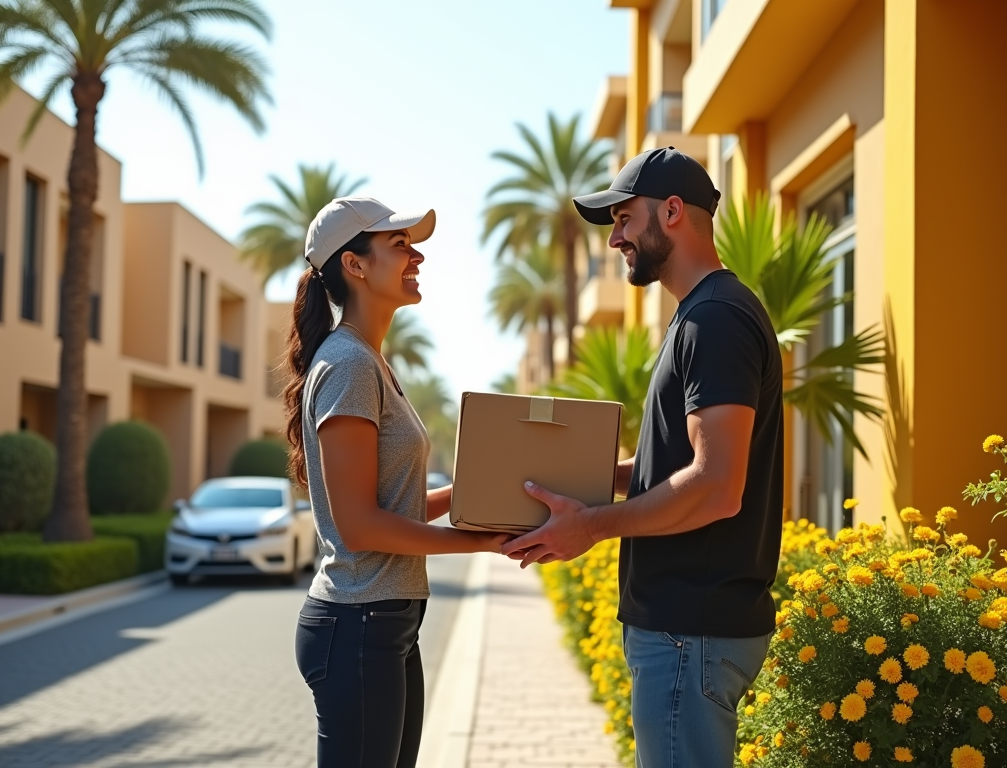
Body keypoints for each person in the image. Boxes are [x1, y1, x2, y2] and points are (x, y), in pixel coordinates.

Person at [503, 148, 783, 768]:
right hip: (688, 630)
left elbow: (716, 487)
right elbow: (683, 466)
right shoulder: (698, 316)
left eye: (624, 219)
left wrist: (591, 526)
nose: (615, 240)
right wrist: (585, 482)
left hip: (691, 630)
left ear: (674, 212)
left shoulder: (715, 320)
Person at [284, 197, 508, 768]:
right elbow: (359, 526)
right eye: (400, 245)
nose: (418, 256)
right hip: (358, 622)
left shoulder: (370, 362)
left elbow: (394, 504)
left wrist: (485, 498)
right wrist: (479, 542)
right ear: (355, 265)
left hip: (385, 621)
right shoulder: (350, 366)